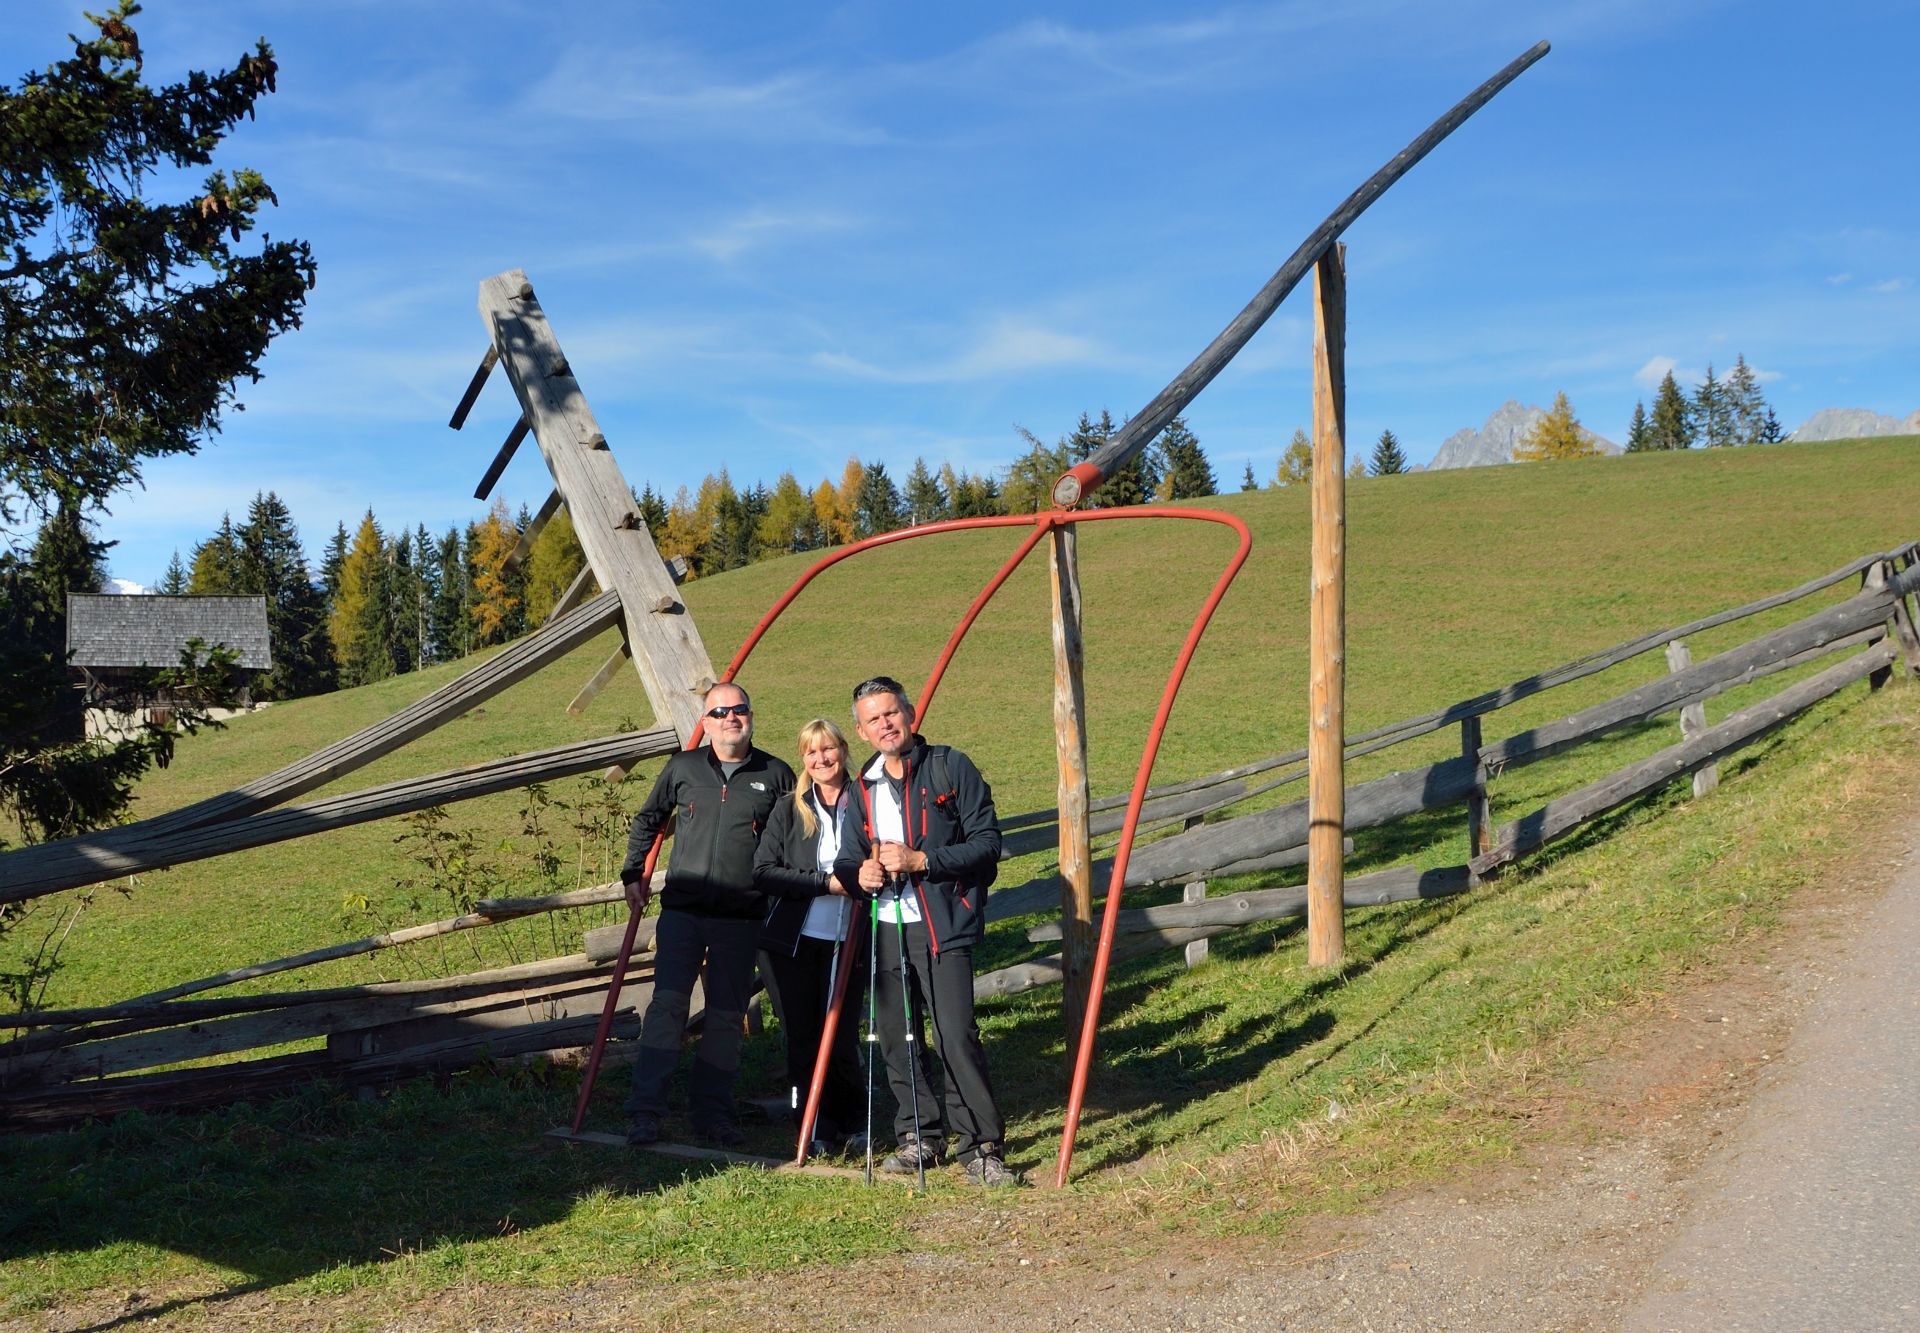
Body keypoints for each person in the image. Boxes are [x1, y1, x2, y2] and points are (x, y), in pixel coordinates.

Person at [834, 675, 1015, 1186]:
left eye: (892, 713)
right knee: (895, 1037)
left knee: (955, 1035)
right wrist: (860, 873)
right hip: (885, 926)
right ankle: (920, 1135)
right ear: (862, 731)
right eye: (874, 719)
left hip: (942, 923)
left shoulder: (949, 766)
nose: (885, 724)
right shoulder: (860, 788)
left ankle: (979, 1144)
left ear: (910, 714)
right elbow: (850, 859)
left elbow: (987, 843)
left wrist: (923, 860)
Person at [620, 681, 793, 1148]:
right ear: (706, 721)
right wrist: (632, 872)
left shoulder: (776, 774)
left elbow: (796, 836)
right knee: (667, 1008)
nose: (730, 718)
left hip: (742, 916)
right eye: (719, 712)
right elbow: (649, 818)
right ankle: (645, 1111)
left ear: (751, 715)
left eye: (739, 709)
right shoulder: (683, 767)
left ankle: (712, 1113)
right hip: (684, 912)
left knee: (724, 1015)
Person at [754, 719, 866, 1154]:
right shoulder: (789, 808)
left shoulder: (866, 799)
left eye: (829, 749)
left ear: (843, 749)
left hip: (850, 937)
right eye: (811, 752)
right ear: (803, 758)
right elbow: (763, 870)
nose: (822, 759)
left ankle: (853, 1119)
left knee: (841, 1035)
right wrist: (824, 883)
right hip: (796, 939)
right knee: (802, 1034)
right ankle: (811, 1122)